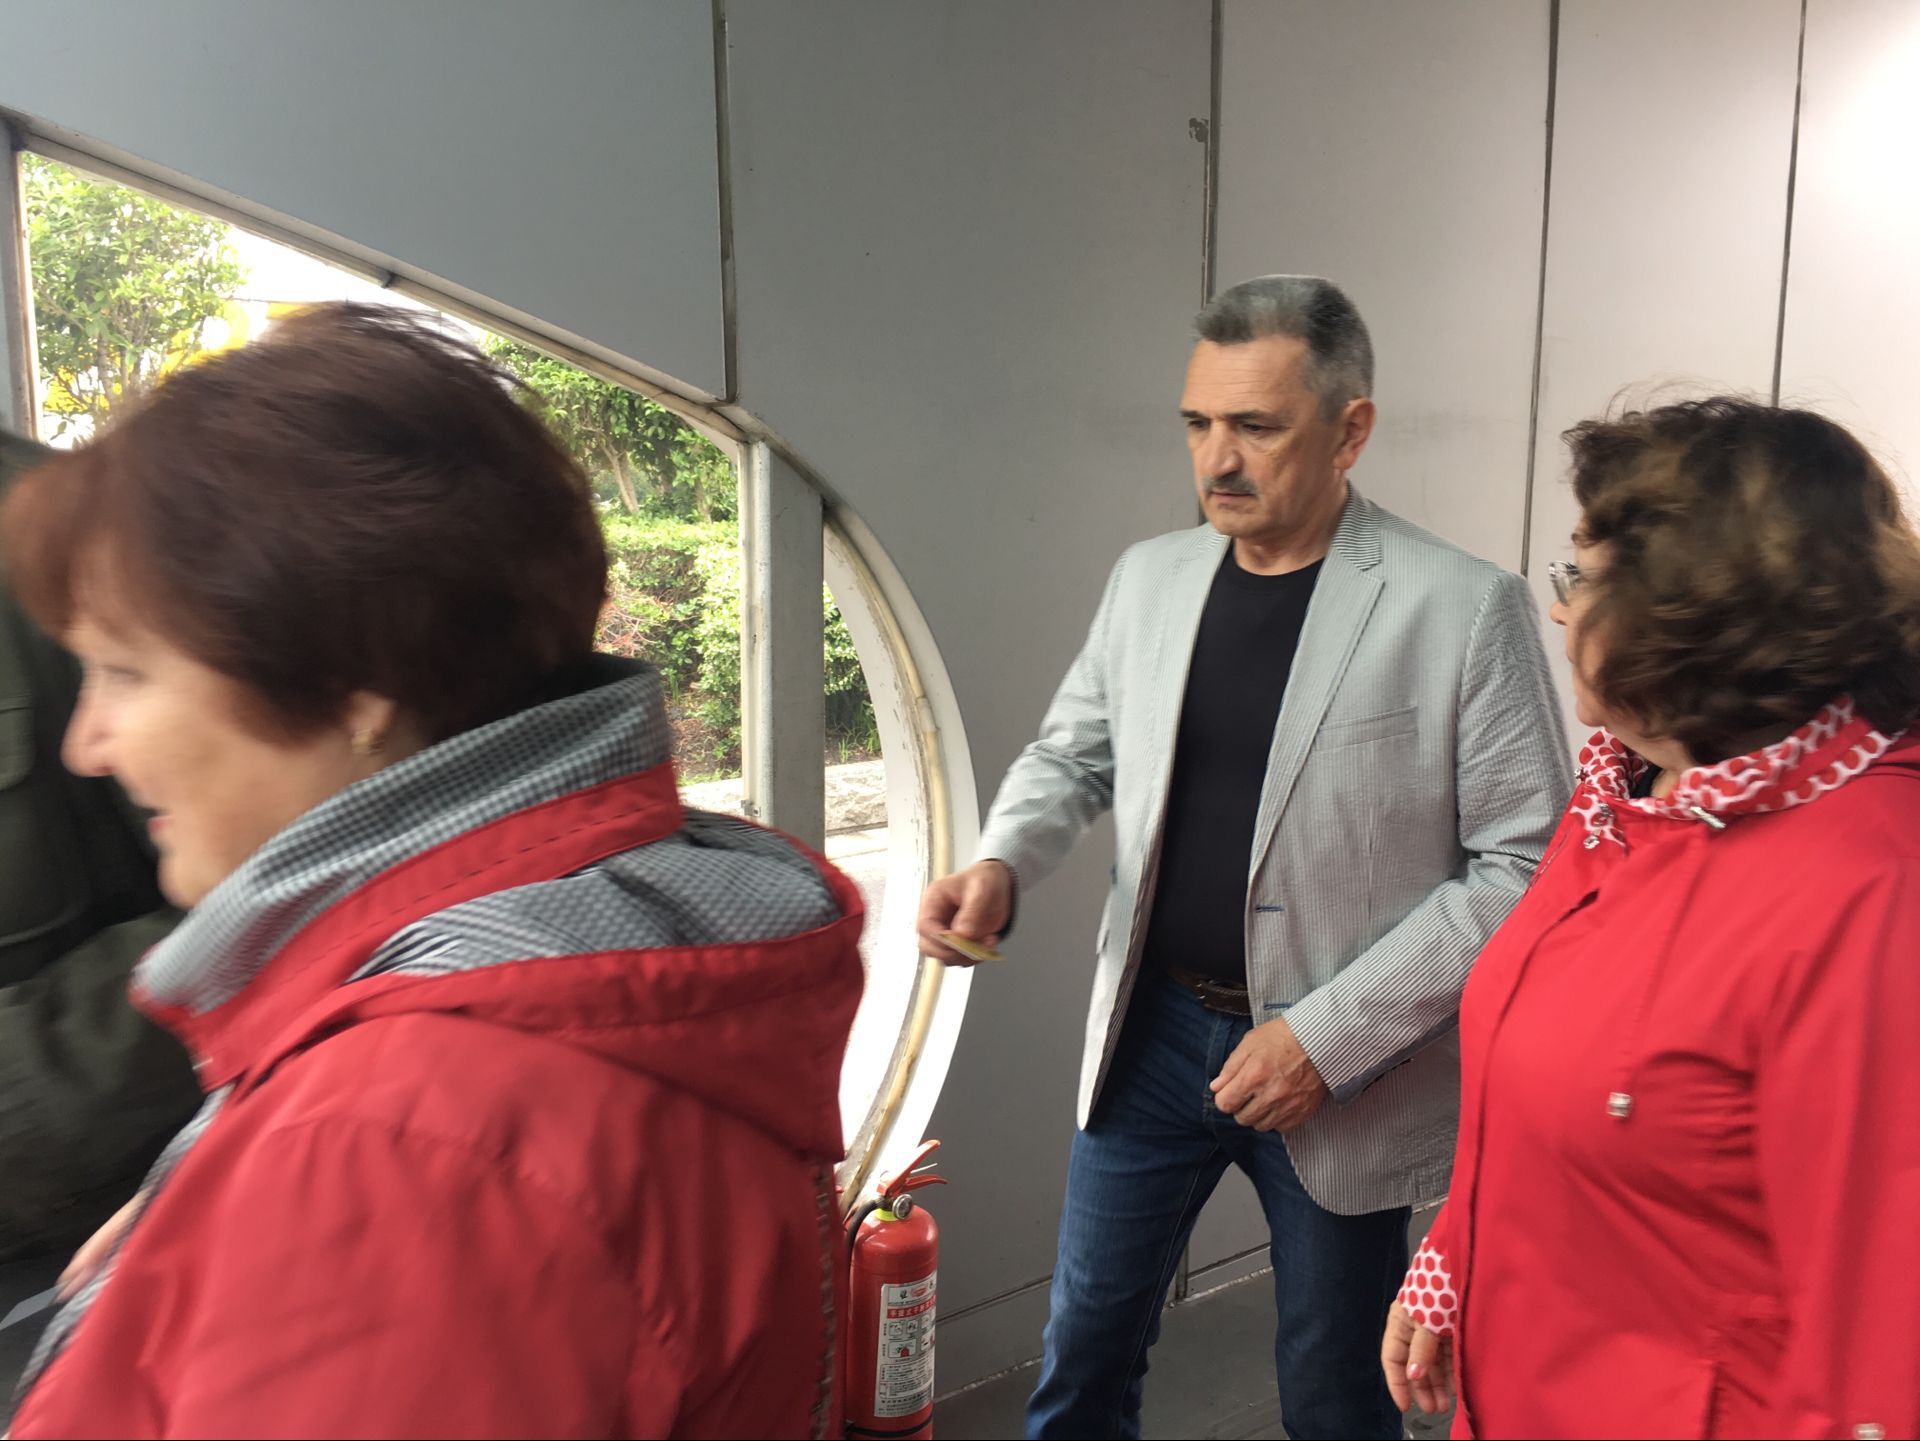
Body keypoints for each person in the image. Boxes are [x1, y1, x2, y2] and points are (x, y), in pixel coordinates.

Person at [3, 304, 864, 1440]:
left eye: (126, 672)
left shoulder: (409, 1144)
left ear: (353, 678)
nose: (88, 744)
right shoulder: (573, 956)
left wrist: (315, 1205)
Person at [919, 275, 1571, 1440]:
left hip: (1344, 1071)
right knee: (1081, 1355)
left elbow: (1524, 867)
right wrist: (1004, 861)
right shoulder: (1150, 579)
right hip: (1153, 1036)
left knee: (1333, 1394)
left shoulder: (1465, 607)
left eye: (1256, 425)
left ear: (1351, 430)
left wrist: (1327, 1039)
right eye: (1198, 422)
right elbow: (1074, 750)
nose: (1216, 459)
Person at [1380, 398, 1920, 1440]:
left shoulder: (1872, 894)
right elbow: (1543, 1084)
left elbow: (1881, 1348)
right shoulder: (1629, 793)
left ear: (1693, 613)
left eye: (1582, 577)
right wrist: (1457, 1254)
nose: (1558, 610)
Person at [0, 429, 199, 1266]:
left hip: (65, 1234)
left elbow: (273, 881)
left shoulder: (62, 528)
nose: (86, 745)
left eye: (117, 677)